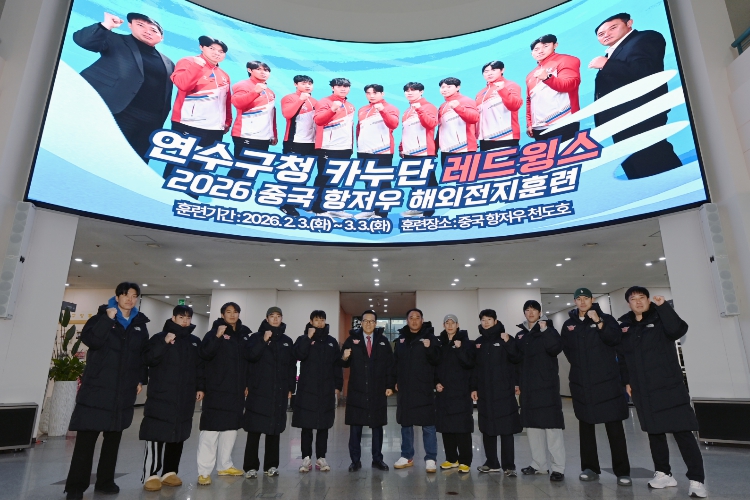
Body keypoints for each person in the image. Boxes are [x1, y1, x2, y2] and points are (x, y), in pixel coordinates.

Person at [616, 287, 707, 498]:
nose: (638, 302)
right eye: (633, 299)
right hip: (643, 389)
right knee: (654, 432)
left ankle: (697, 480)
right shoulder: (626, 327)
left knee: (682, 432)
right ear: (628, 303)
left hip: (668, 386)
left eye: (642, 298)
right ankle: (663, 473)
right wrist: (627, 381)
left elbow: (678, 330)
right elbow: (623, 357)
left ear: (648, 300)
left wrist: (664, 307)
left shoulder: (660, 319)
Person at [64, 283, 149, 500]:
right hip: (97, 389)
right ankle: (75, 487)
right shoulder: (100, 318)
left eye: (134, 296)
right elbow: (91, 340)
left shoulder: (139, 325)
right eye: (125, 295)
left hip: (123, 391)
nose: (130, 299)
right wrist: (107, 319)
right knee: (86, 441)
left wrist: (141, 379)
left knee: (113, 441)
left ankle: (105, 481)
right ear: (117, 297)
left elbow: (142, 356)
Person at [589, 13, 682, 179]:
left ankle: (680, 190)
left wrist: (607, 64)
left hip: (641, 116)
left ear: (629, 23)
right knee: (636, 169)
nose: (606, 34)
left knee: (654, 163)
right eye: (601, 34)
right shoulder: (613, 53)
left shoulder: (645, 38)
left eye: (613, 28)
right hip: (621, 121)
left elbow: (646, 72)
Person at [72, 12, 174, 160]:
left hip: (150, 123)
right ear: (130, 25)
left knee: (135, 163)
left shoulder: (169, 62)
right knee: (101, 156)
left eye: (153, 30)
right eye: (141, 25)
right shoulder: (115, 39)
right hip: (117, 112)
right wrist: (106, 26)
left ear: (161, 38)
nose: (148, 31)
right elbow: (84, 41)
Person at [561, 288, 632, 486]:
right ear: (574, 301)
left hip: (607, 383)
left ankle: (622, 471)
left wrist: (599, 322)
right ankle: (590, 468)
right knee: (586, 427)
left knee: (614, 428)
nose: (582, 302)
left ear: (592, 300)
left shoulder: (607, 319)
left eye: (586, 298)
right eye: (579, 299)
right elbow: (568, 350)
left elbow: (615, 340)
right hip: (582, 383)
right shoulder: (568, 325)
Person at [139, 305, 204, 492]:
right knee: (156, 432)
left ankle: (170, 471)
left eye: (188, 318)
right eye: (181, 317)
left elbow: (199, 367)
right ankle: (151, 474)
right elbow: (149, 359)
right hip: (161, 394)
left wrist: (200, 387)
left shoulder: (194, 342)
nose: (185, 321)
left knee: (178, 433)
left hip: (184, 396)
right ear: (173, 318)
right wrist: (164, 343)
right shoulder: (159, 337)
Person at [196, 302, 251, 485]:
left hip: (236, 391)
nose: (232, 315)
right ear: (222, 314)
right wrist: (217, 337)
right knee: (210, 432)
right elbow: (204, 355)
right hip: (216, 390)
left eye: (235, 312)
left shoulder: (243, 336)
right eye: (228, 312)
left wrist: (246, 384)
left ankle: (225, 465)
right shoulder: (213, 333)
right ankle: (204, 471)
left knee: (230, 430)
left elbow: (247, 363)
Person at [164, 36, 231, 180]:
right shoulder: (189, 61)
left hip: (214, 129)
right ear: (202, 47)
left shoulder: (224, 75)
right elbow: (183, 84)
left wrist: (227, 121)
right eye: (212, 48)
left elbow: (226, 100)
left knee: (201, 169)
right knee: (178, 166)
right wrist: (197, 66)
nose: (216, 53)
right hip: (188, 124)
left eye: (221, 51)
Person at [513, 300, 565, 482]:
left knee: (552, 428)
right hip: (528, 388)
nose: (530, 313)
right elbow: (517, 362)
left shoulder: (549, 330)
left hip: (547, 387)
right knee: (533, 427)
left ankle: (558, 467)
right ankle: (539, 465)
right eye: (527, 310)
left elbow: (555, 348)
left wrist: (545, 330)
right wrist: (517, 383)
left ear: (540, 312)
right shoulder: (520, 335)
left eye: (534, 310)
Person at [243, 307, 296, 477]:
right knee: (254, 430)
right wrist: (263, 340)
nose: (275, 319)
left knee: (274, 429)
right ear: (266, 319)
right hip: (258, 390)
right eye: (272, 316)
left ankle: (271, 465)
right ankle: (250, 467)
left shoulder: (287, 341)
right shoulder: (255, 338)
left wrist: (290, 387)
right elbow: (250, 357)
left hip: (279, 391)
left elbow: (291, 366)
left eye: (278, 316)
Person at [340, 309, 395, 472]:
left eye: (371, 321)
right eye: (365, 321)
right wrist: (344, 357)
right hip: (357, 391)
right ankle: (355, 461)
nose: (368, 324)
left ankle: (377, 459)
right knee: (355, 429)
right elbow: (343, 363)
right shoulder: (352, 340)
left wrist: (389, 385)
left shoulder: (383, 341)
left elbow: (390, 366)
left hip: (377, 391)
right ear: (361, 323)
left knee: (377, 427)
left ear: (375, 323)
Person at [293, 310, 343, 473]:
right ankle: (306, 458)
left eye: (322, 320)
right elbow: (298, 355)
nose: (320, 323)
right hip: (307, 389)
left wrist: (338, 386)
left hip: (326, 389)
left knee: (324, 426)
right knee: (306, 426)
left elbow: (337, 365)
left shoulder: (331, 342)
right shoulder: (302, 339)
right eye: (317, 320)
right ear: (311, 321)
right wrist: (308, 338)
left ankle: (321, 457)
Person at [472, 309, 521, 475]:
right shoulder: (478, 342)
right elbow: (475, 368)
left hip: (503, 392)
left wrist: (508, 343)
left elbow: (516, 359)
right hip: (485, 392)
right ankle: (491, 462)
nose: (486, 322)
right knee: (487, 428)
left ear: (495, 321)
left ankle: (509, 466)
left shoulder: (505, 338)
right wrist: (474, 387)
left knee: (506, 429)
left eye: (489, 319)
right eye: (483, 320)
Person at [393, 308, 442, 472]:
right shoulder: (401, 340)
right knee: (406, 424)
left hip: (424, 387)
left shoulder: (431, 338)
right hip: (406, 388)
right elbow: (395, 363)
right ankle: (407, 455)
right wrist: (394, 381)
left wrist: (429, 348)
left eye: (417, 317)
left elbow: (438, 360)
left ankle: (431, 458)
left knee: (428, 425)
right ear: (407, 320)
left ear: (422, 320)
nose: (414, 320)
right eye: (411, 318)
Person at [435, 314, 475, 473]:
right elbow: (435, 366)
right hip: (444, 392)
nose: (450, 325)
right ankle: (451, 458)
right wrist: (436, 382)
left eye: (453, 323)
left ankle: (465, 460)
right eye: (447, 322)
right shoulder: (440, 344)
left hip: (461, 392)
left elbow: (470, 363)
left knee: (462, 428)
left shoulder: (466, 343)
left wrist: (460, 349)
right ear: (444, 325)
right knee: (446, 427)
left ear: (458, 325)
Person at [311, 78, 356, 216]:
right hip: (328, 147)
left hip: (345, 148)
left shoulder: (350, 105)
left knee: (337, 178)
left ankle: (333, 206)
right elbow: (318, 120)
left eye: (346, 86)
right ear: (332, 87)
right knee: (324, 178)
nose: (343, 88)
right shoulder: (324, 102)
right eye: (339, 86)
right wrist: (332, 109)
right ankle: (318, 208)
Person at [355, 84, 400, 219]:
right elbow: (359, 129)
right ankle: (370, 209)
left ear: (382, 94)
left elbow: (393, 124)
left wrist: (382, 110)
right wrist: (358, 145)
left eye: (375, 93)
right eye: (368, 93)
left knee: (382, 182)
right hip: (363, 150)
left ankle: (382, 213)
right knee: (368, 181)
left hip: (382, 151)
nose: (372, 95)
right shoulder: (362, 109)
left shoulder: (390, 108)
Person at [525, 34, 581, 142]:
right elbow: (529, 100)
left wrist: (547, 78)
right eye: (536, 49)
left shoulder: (567, 60)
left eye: (545, 46)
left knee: (566, 153)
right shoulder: (530, 75)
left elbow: (571, 84)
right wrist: (529, 123)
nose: (540, 51)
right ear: (532, 53)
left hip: (563, 121)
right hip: (539, 128)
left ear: (555, 45)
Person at [399, 82, 439, 217]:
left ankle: (429, 211)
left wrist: (420, 110)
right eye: (407, 91)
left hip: (424, 151)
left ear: (421, 92)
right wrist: (401, 147)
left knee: (428, 182)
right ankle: (419, 207)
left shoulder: (428, 106)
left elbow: (431, 124)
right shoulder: (407, 110)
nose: (409, 93)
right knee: (414, 182)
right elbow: (406, 131)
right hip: (409, 152)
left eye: (413, 90)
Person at [280, 75, 318, 216]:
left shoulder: (315, 101)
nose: (307, 86)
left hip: (311, 143)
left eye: (310, 83)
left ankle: (297, 200)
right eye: (303, 83)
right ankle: (286, 205)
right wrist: (301, 100)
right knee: (292, 175)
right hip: (294, 142)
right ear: (296, 84)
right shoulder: (289, 98)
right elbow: (287, 114)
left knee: (305, 174)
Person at [230, 61, 278, 172]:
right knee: (240, 170)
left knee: (254, 170)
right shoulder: (243, 85)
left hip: (263, 137)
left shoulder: (269, 91)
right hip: (246, 134)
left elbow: (271, 114)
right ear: (249, 70)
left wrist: (273, 134)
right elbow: (237, 103)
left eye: (266, 70)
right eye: (259, 69)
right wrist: (255, 92)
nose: (263, 72)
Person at [475, 61, 523, 151]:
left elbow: (515, 105)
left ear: (502, 70)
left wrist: (502, 90)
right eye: (486, 71)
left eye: (493, 70)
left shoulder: (510, 85)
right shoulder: (480, 93)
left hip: (506, 136)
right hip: (485, 140)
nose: (489, 73)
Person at [436, 77, 480, 166]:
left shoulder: (466, 101)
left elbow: (474, 118)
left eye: (449, 87)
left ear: (458, 87)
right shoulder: (443, 106)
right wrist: (435, 147)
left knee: (465, 175)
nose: (445, 89)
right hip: (446, 150)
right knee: (447, 175)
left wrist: (458, 108)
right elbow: (441, 128)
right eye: (442, 87)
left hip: (463, 148)